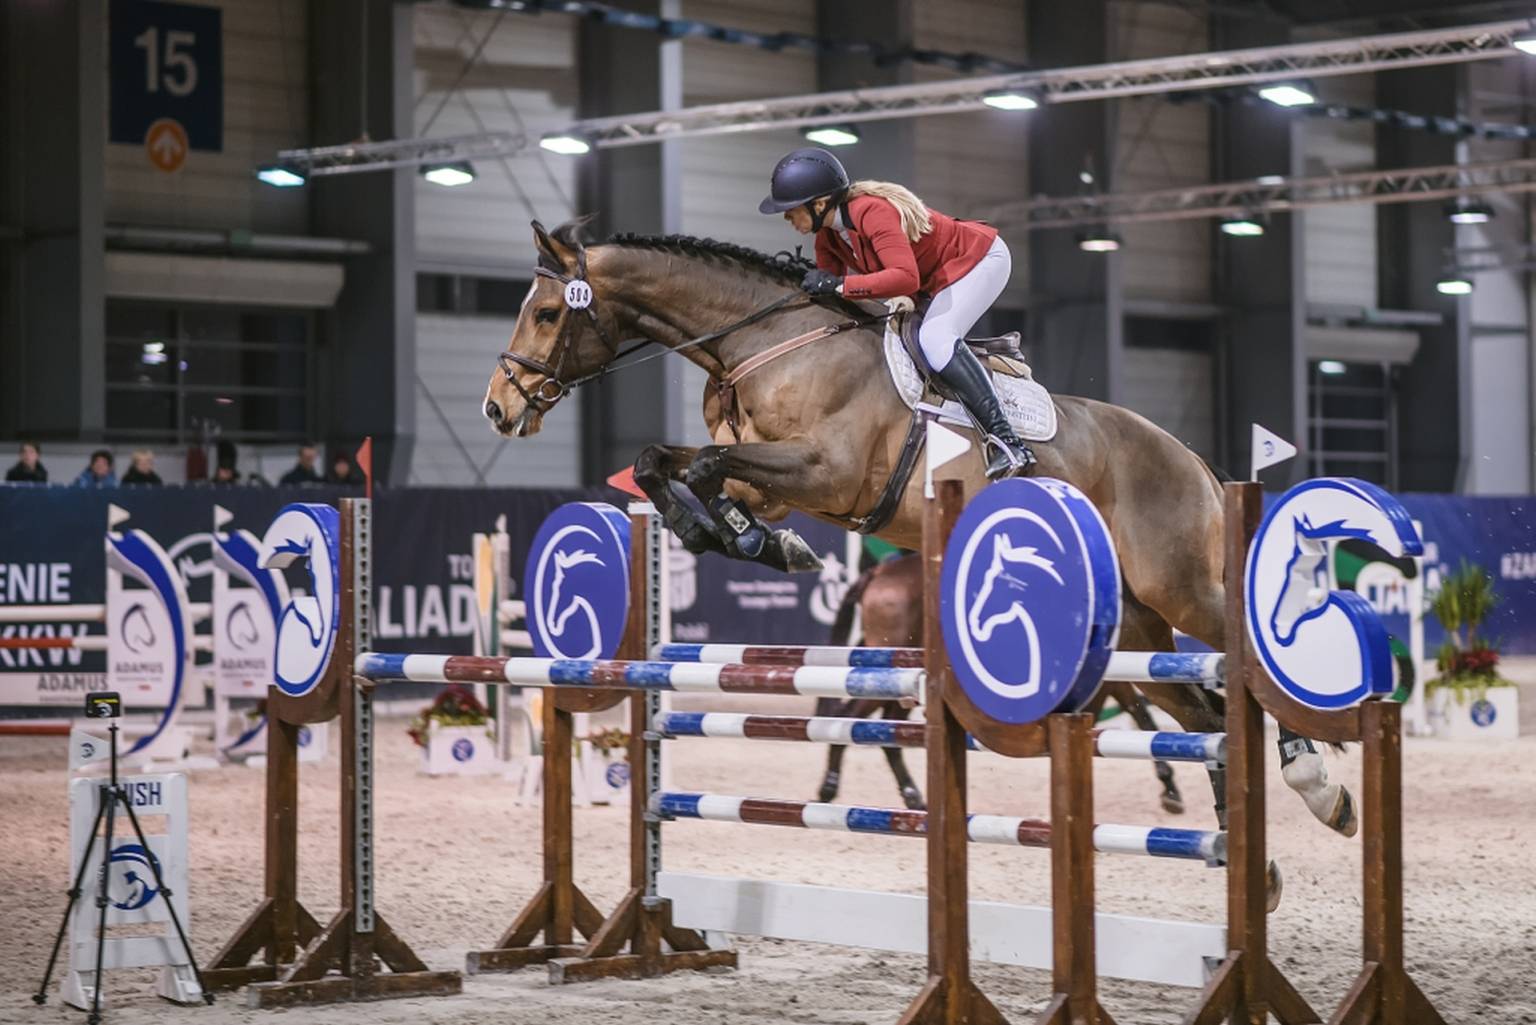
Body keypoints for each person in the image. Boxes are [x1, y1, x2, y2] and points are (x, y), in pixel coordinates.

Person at [760, 147, 1034, 478]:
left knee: (935, 338)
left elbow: (904, 278)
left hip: (979, 260)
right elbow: (831, 298)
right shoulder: (828, 237)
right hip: (935, 279)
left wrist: (839, 286)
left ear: (819, 204)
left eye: (791, 211)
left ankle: (1009, 443)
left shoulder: (872, 211)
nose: (788, 219)